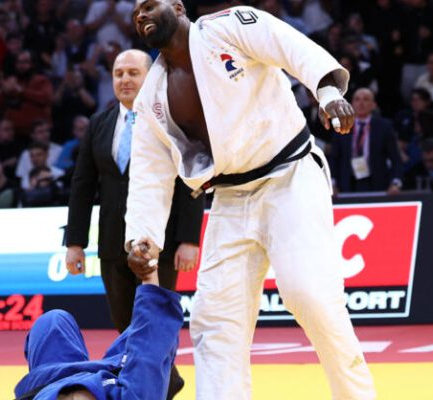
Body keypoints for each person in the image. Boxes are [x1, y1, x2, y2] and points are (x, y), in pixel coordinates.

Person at [124, 2, 375, 399]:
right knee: (214, 321)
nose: (140, 14)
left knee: (310, 294)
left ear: (177, 7)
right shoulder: (153, 96)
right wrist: (142, 236)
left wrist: (326, 92)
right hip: (230, 197)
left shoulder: (229, 27)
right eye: (135, 11)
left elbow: (288, 46)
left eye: (149, 4)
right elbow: (149, 173)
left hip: (289, 176)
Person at [64, 49, 204, 399]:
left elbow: (191, 179)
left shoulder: (169, 120)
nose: (125, 79)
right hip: (112, 243)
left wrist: (189, 238)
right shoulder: (99, 123)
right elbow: (82, 185)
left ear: (150, 77)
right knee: (125, 326)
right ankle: (158, 385)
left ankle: (160, 388)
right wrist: (75, 242)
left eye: (133, 73)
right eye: (118, 73)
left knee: (157, 322)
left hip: (162, 241)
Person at [12, 267, 182, 400]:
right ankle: (167, 379)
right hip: (111, 376)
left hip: (51, 379)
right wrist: (148, 273)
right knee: (151, 336)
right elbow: (150, 342)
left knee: (52, 321)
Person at [330, 88, 404, 194]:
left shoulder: (384, 127)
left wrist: (396, 183)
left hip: (377, 182)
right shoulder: (341, 126)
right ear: (351, 105)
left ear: (373, 105)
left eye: (366, 99)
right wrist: (332, 183)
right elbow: (334, 158)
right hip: (347, 183)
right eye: (357, 99)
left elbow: (395, 158)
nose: (361, 103)